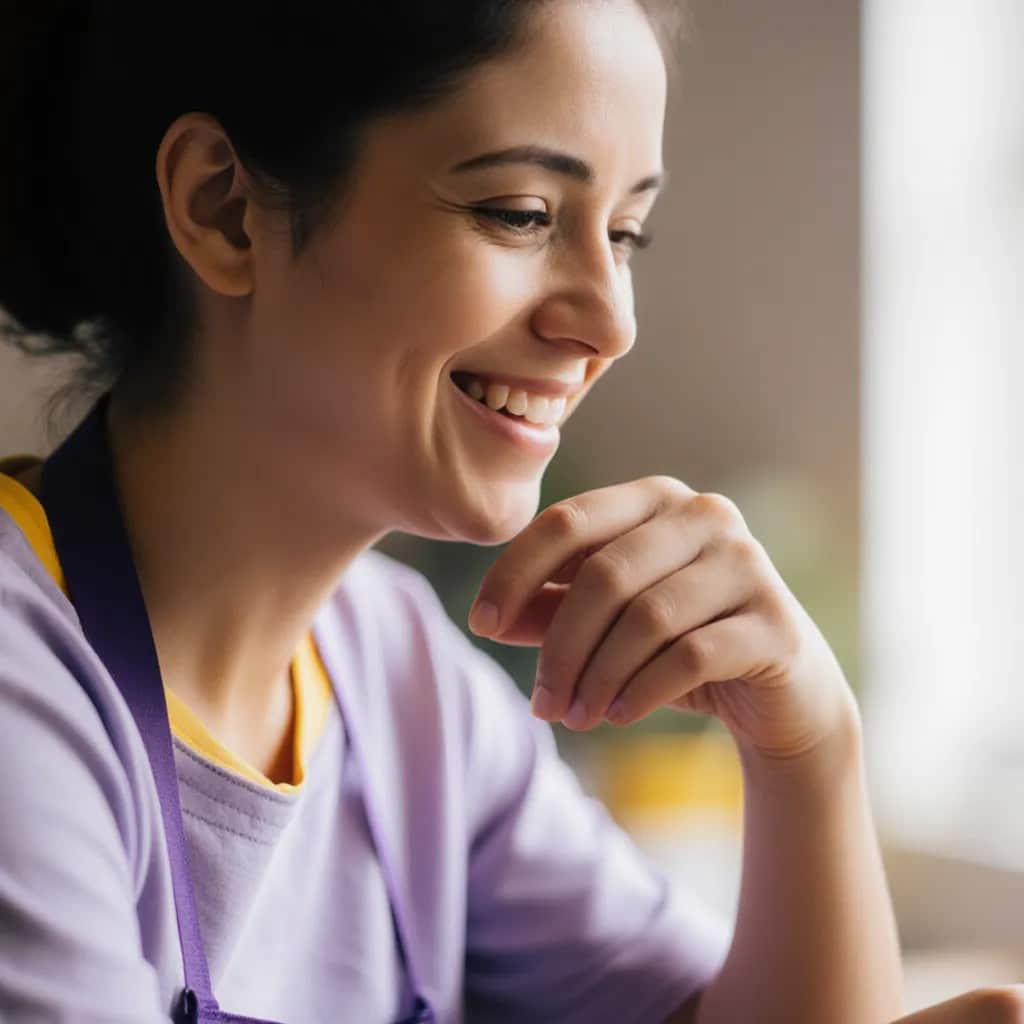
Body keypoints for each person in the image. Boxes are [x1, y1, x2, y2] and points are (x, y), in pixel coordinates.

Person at [0, 1, 996, 1021]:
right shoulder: (20, 691)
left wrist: (808, 746)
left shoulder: (402, 681)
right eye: (521, 214)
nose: (610, 321)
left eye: (626, 234)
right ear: (222, 208)